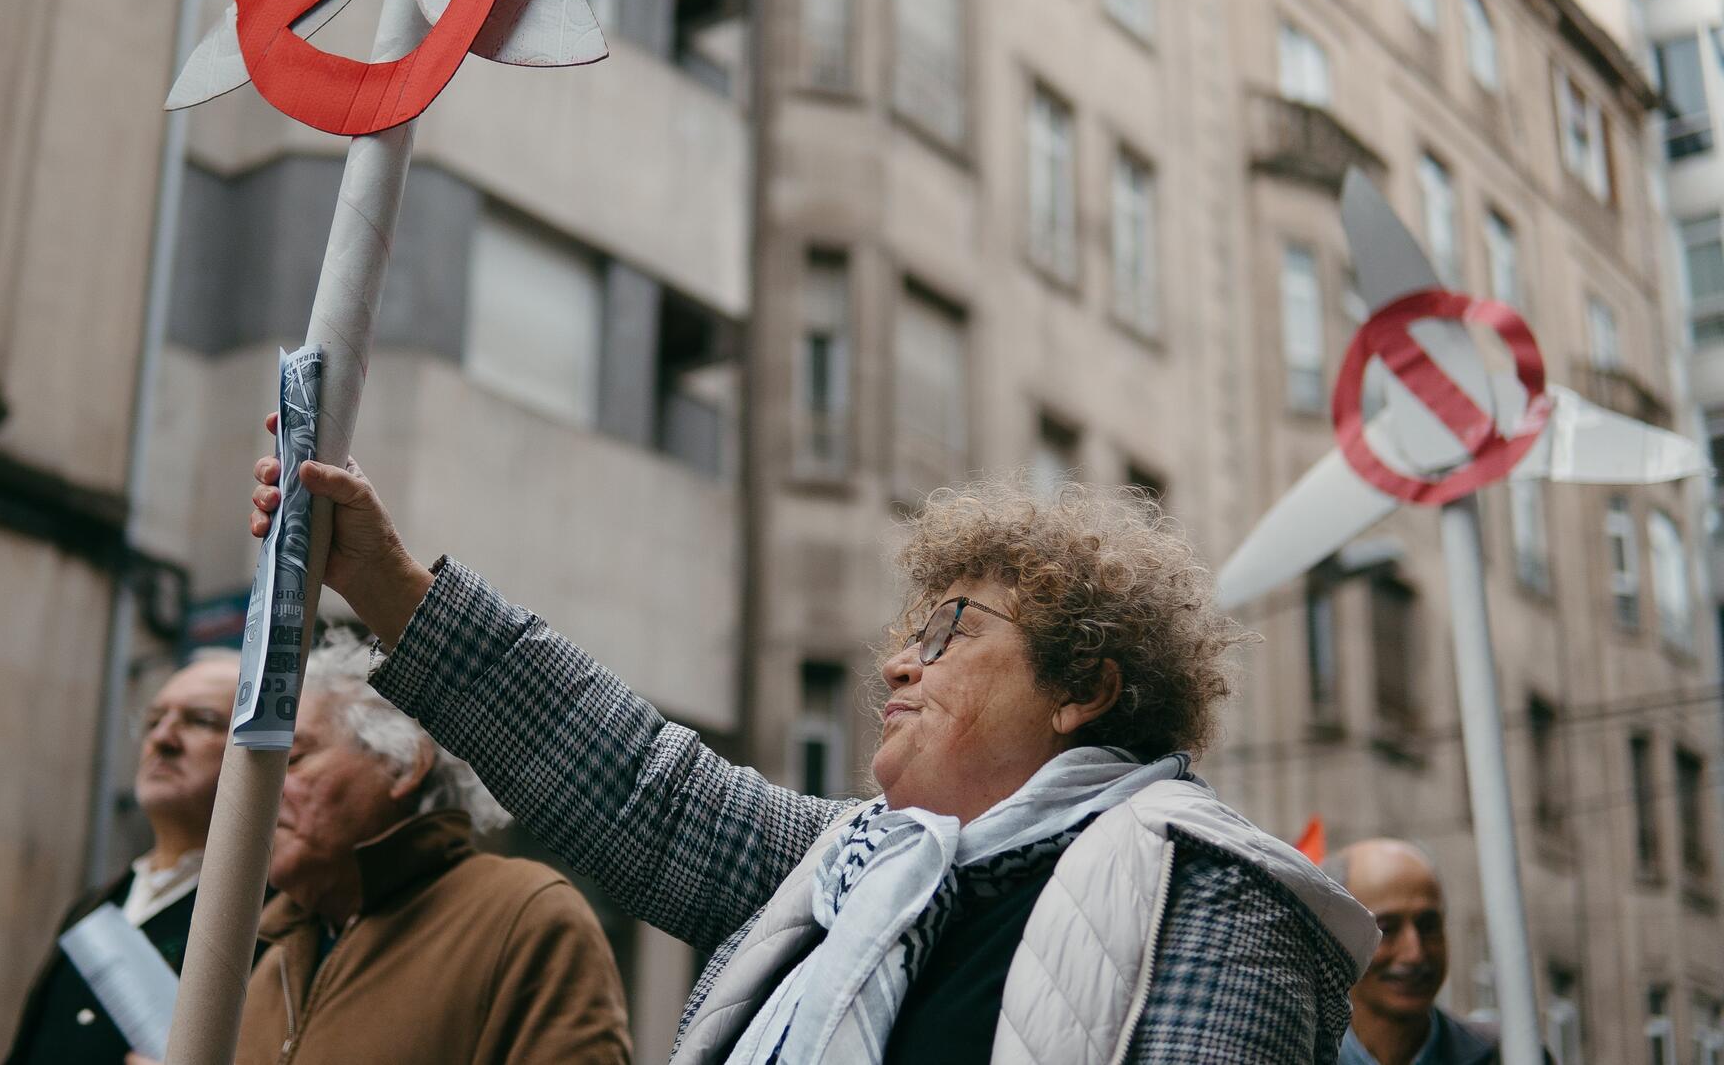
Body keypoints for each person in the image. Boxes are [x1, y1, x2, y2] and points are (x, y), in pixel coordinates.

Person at [248, 437, 1382, 1064]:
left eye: (951, 634)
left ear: (1083, 689)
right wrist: (388, 588)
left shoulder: (1217, 901)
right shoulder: (864, 862)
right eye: (905, 633)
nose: (896, 666)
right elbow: (648, 791)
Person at [137, 632, 631, 1065]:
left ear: (401, 766)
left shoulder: (524, 915)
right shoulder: (268, 959)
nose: (262, 790)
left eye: (294, 758)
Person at [5, 651, 239, 1065]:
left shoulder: (267, 918)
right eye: (152, 722)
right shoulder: (90, 907)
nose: (162, 740)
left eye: (200, 720)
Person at [1327, 839, 1516, 1065]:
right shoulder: (1294, 1057)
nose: (1414, 953)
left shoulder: (1514, 1055)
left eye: (1428, 926)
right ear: (1334, 941)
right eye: (1385, 929)